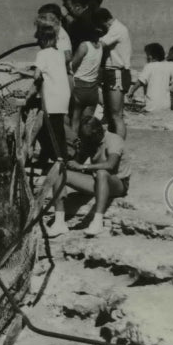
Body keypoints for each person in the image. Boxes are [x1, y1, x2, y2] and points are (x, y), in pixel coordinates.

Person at [28, 23, 71, 235]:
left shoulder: (43, 53)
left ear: (42, 39)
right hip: (62, 101)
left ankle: (61, 220)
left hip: (51, 103)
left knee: (57, 150)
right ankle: (50, 160)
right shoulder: (59, 53)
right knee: (51, 137)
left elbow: (37, 77)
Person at [65, 116, 132, 237]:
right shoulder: (90, 140)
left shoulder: (114, 140)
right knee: (61, 172)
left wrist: (83, 167)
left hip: (118, 184)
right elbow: (77, 162)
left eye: (87, 137)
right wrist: (69, 160)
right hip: (97, 181)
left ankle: (97, 221)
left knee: (102, 172)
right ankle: (59, 221)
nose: (85, 140)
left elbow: (110, 165)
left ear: (96, 132)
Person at [96, 7, 133, 139]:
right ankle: (114, 145)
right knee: (111, 115)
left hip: (117, 72)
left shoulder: (117, 29)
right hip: (111, 72)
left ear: (104, 21)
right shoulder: (113, 28)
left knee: (116, 115)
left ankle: (119, 147)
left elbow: (99, 45)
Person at [68, 19, 104, 134]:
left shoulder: (84, 46)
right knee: (87, 124)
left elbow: (72, 65)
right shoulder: (100, 47)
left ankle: (74, 148)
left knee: (75, 121)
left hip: (79, 87)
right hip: (93, 89)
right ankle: (87, 148)